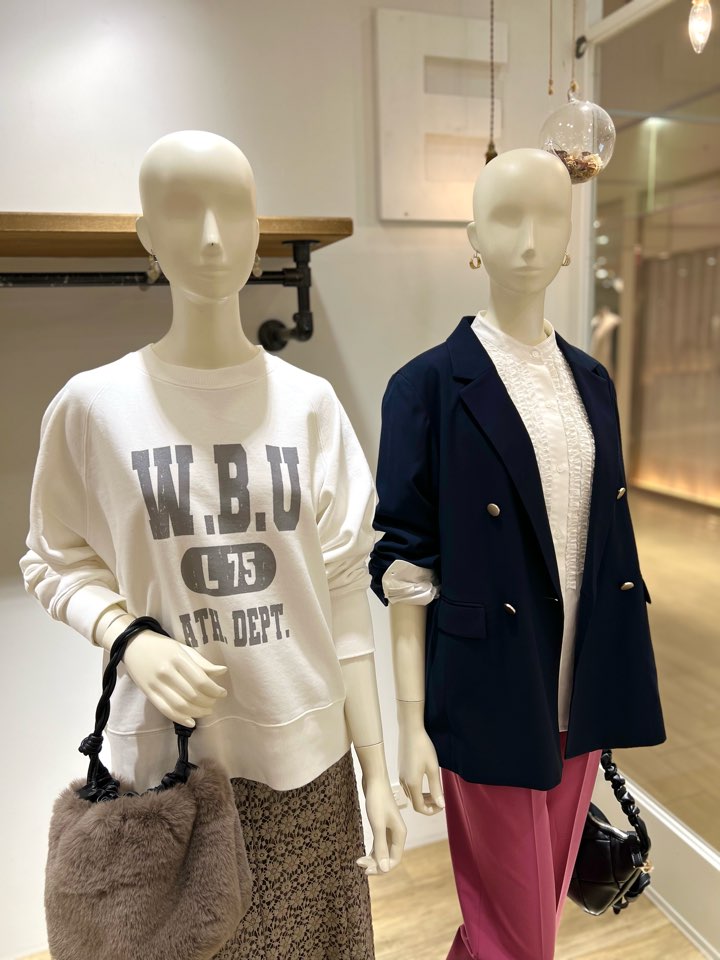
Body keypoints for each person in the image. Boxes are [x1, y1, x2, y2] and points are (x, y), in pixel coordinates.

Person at [369, 147, 665, 960]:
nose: (529, 240)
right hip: (487, 685)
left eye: (548, 219)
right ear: (472, 238)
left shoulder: (592, 381)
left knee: (523, 919)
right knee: (518, 932)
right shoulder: (427, 387)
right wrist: (410, 725)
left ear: (572, 239)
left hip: (583, 683)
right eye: (506, 217)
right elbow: (406, 565)